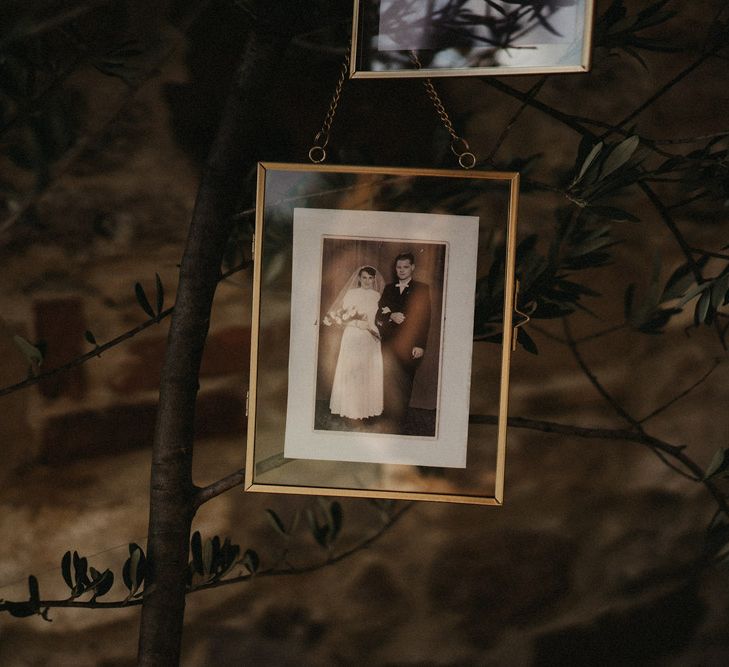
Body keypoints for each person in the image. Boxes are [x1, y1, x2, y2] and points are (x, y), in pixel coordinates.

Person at [376, 252, 431, 434]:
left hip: (410, 344)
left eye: (405, 267)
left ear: (412, 268)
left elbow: (425, 319)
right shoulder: (389, 288)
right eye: (399, 267)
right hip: (388, 343)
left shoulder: (422, 289)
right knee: (387, 378)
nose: (401, 270)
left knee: (405, 381)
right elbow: (379, 315)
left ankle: (400, 421)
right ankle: (385, 417)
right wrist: (391, 315)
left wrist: (420, 345)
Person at [326, 266, 384, 421]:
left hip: (370, 336)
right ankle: (349, 409)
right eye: (364, 277)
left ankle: (366, 410)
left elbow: (378, 318)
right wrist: (356, 324)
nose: (367, 281)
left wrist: (374, 330)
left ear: (374, 279)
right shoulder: (351, 294)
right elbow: (344, 317)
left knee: (367, 370)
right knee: (352, 370)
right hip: (353, 334)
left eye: (370, 278)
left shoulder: (377, 295)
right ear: (359, 278)